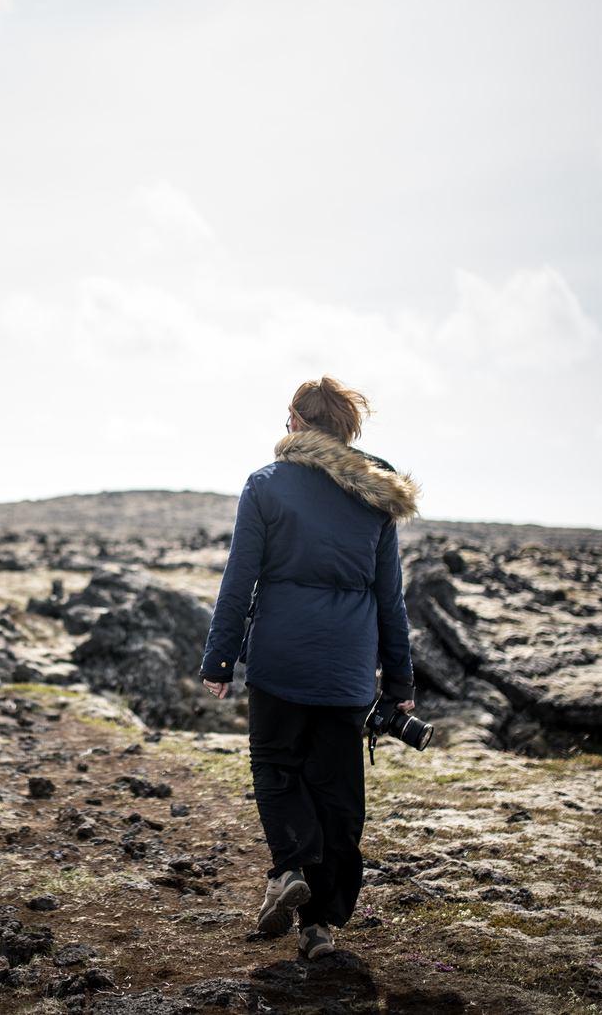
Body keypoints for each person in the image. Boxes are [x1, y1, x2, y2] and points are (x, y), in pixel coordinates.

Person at [198, 375, 420, 960]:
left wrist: (220, 657)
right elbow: (390, 597)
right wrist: (399, 680)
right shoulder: (377, 494)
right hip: (348, 669)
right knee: (337, 789)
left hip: (281, 659)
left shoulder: (266, 484)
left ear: (295, 421)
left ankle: (291, 866)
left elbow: (238, 579)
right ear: (348, 429)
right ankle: (318, 925)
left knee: (276, 766)